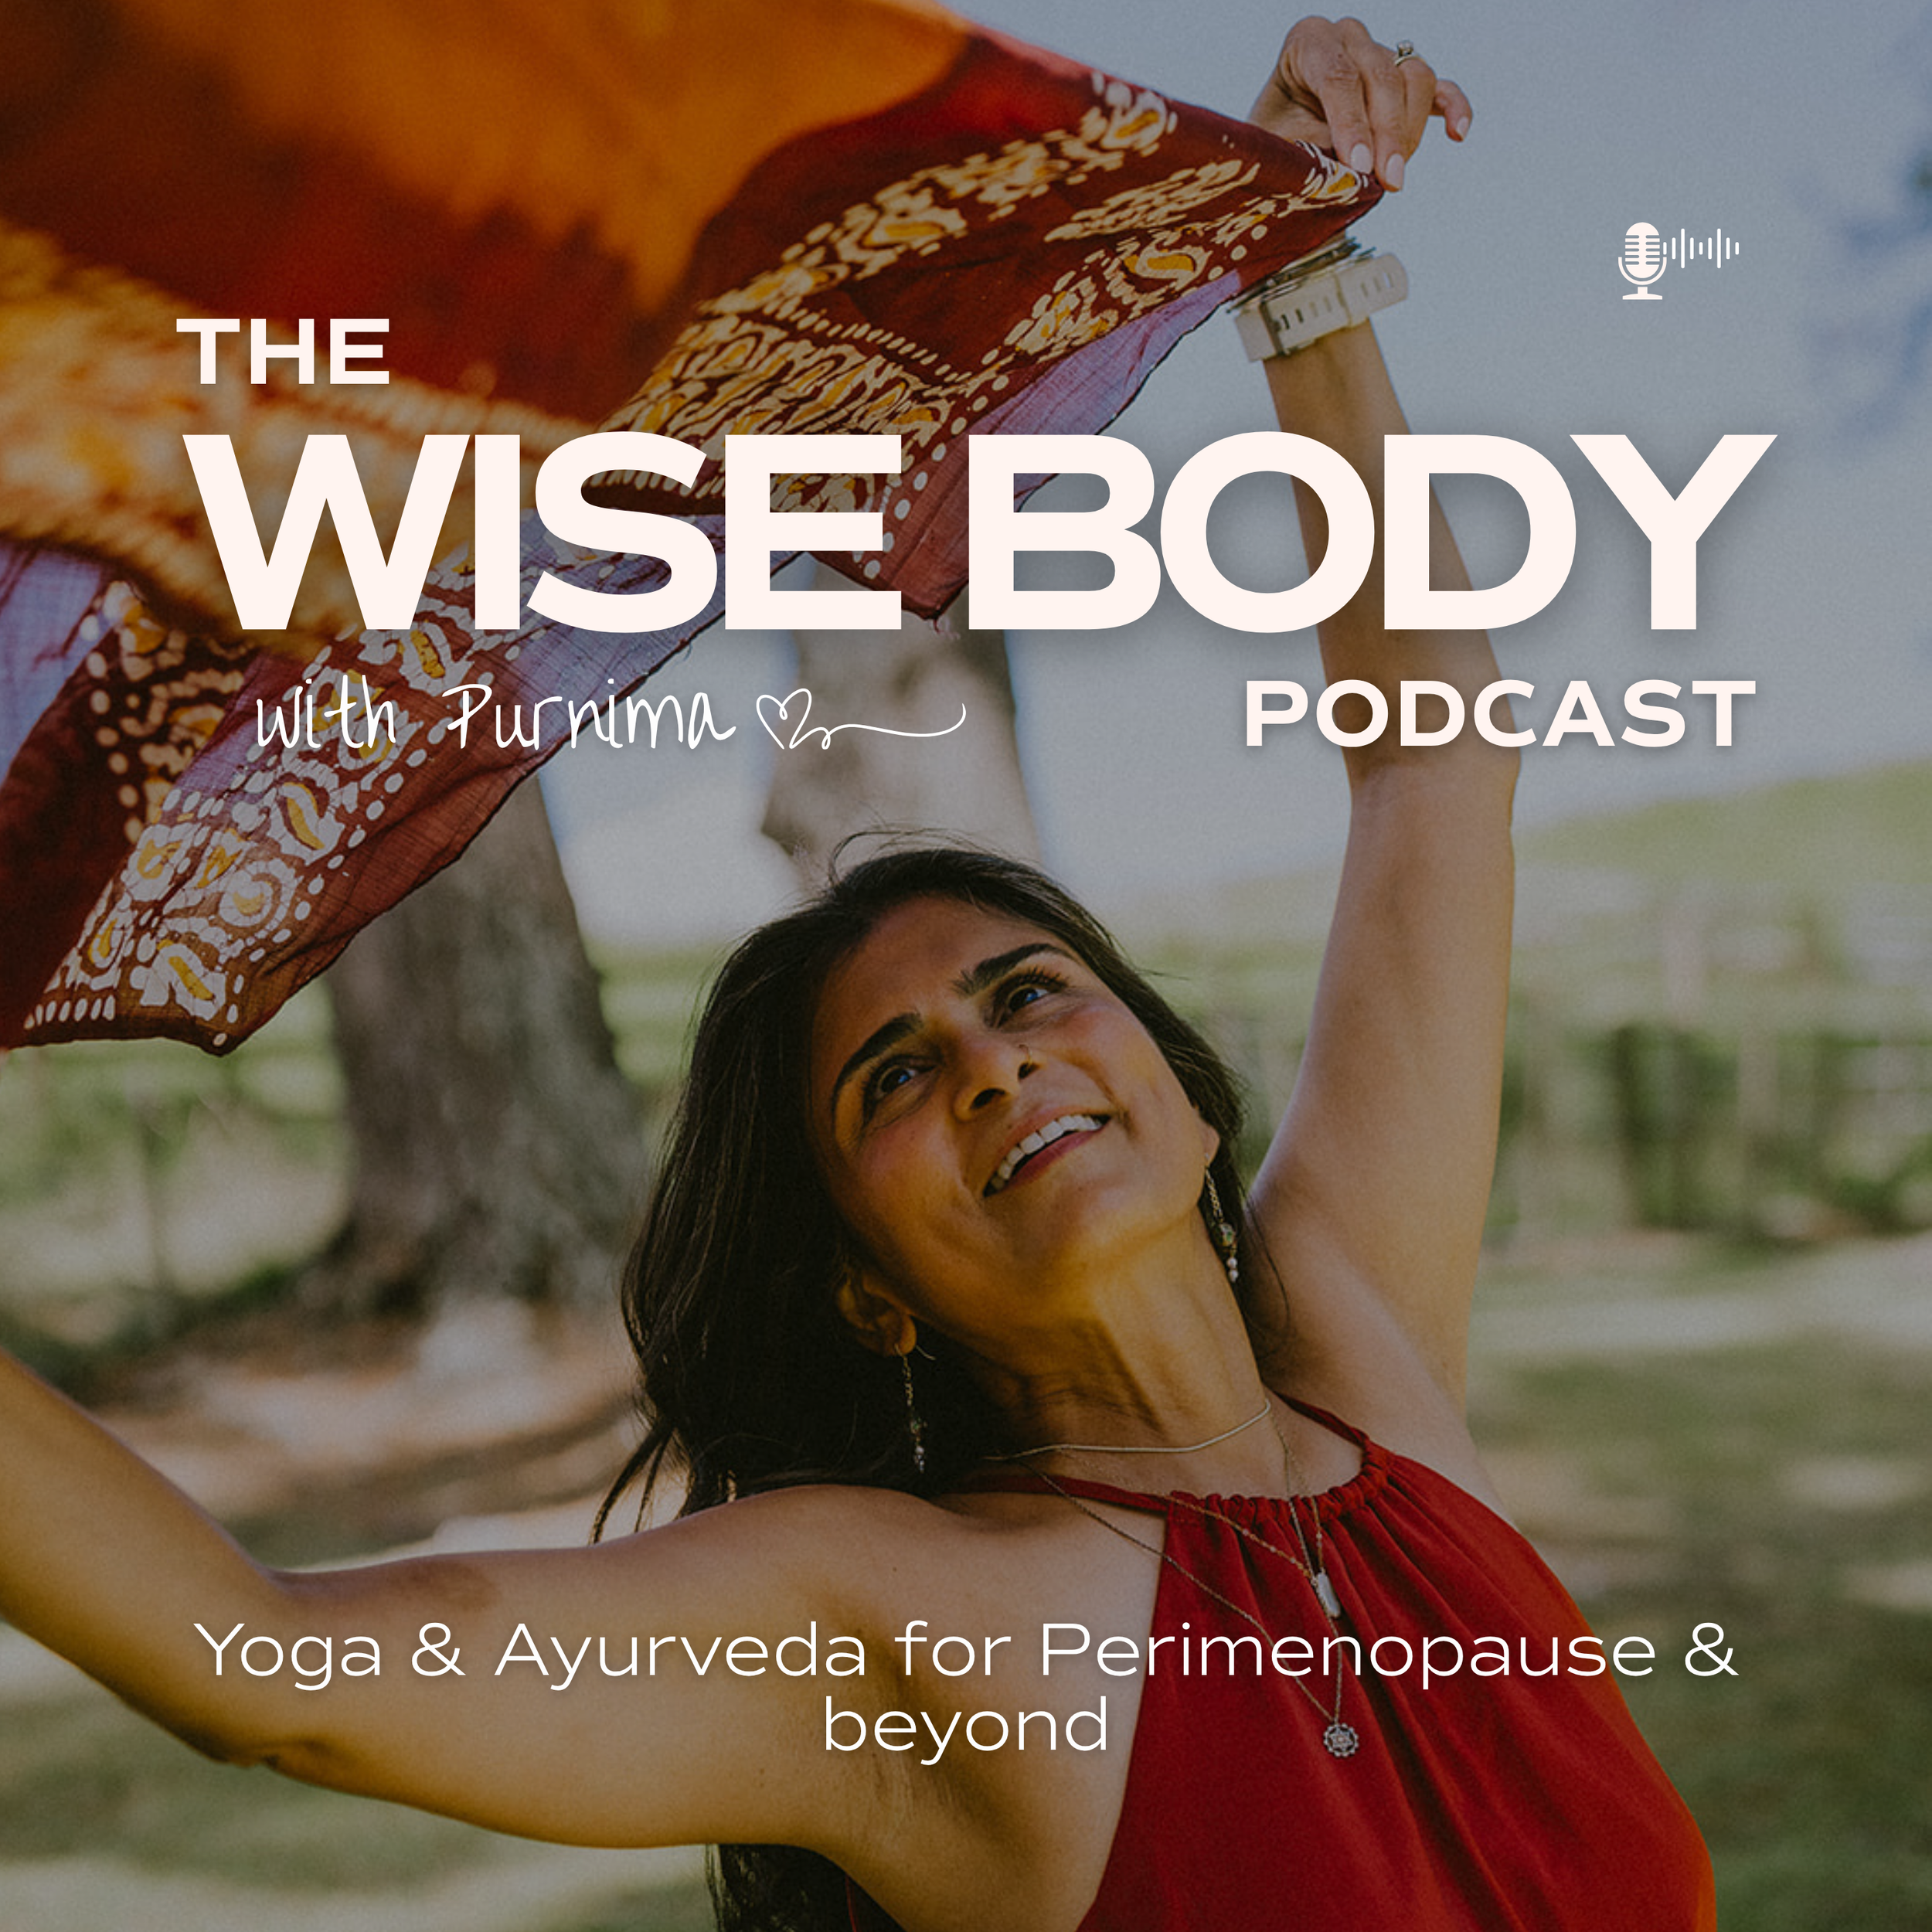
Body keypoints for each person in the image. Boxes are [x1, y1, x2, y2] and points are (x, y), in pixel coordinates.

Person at [0, 18, 1715, 1931]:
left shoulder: (1365, 1363)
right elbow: (261, 1665)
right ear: (864, 1289)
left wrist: (1294, 278)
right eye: (889, 1074)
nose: (988, 1060)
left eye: (1026, 988)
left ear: (1175, 1080)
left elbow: (1429, 770)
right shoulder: (904, 1623)